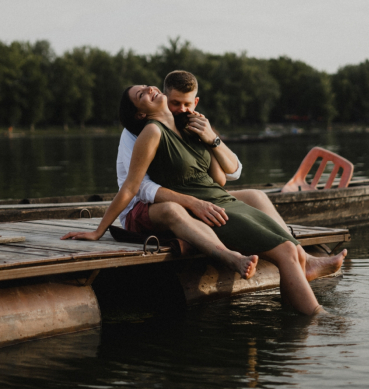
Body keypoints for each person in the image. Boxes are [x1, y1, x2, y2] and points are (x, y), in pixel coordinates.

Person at [62, 84, 331, 315]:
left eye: (148, 86)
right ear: (140, 113)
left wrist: (208, 137)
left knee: (291, 248)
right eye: (142, 94)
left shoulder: (186, 126)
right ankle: (315, 316)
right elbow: (133, 187)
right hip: (163, 207)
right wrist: (99, 231)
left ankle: (298, 315)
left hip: (213, 198)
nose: (150, 90)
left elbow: (222, 178)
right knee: (285, 252)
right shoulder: (149, 133)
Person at [115, 71, 345, 282]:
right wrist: (194, 203)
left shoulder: (188, 125)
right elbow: (141, 187)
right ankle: (250, 255)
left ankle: (303, 256)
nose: (183, 110)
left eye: (187, 104)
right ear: (164, 98)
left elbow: (232, 173)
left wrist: (211, 138)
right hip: (146, 207)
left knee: (256, 196)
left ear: (195, 102)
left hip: (191, 196)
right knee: (183, 209)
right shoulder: (139, 130)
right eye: (176, 103)